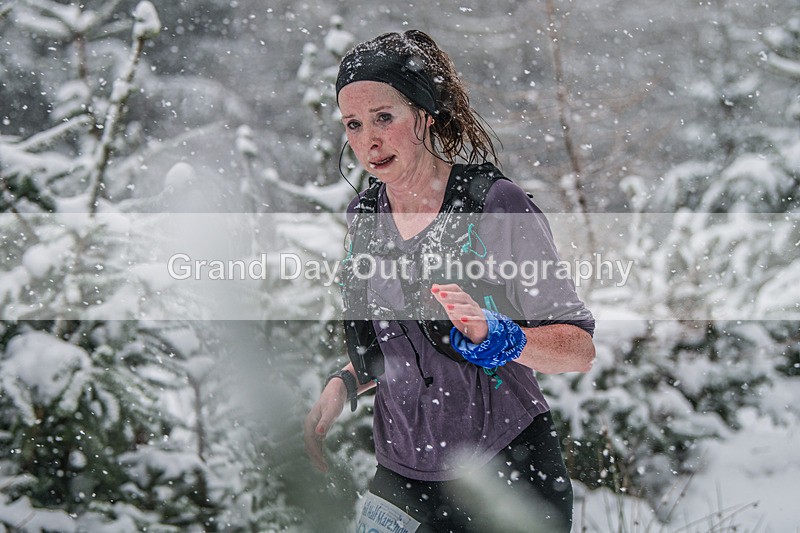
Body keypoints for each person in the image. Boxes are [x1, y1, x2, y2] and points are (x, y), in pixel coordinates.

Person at [304, 29, 595, 533]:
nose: (367, 141)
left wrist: (500, 336)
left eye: (384, 118)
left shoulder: (493, 204)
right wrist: (345, 381)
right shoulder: (364, 214)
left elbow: (578, 349)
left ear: (424, 114)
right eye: (353, 124)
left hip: (505, 465)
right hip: (400, 476)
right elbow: (398, 342)